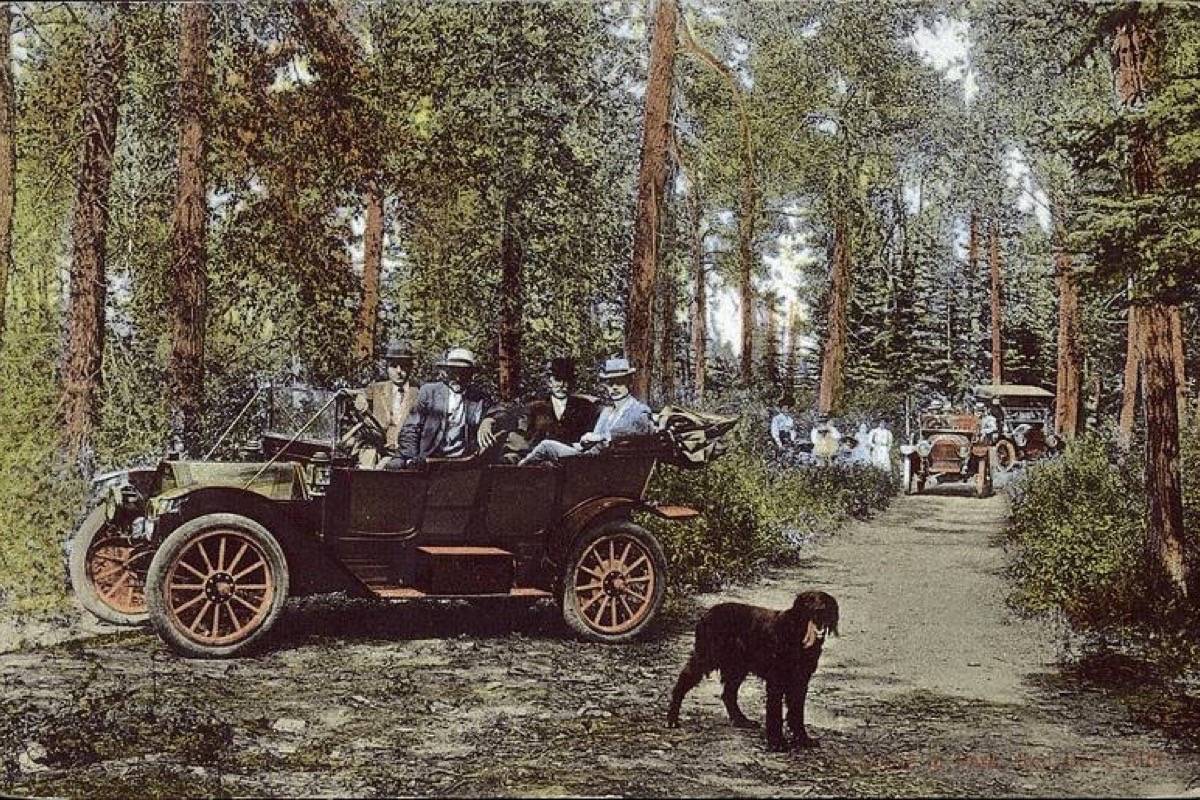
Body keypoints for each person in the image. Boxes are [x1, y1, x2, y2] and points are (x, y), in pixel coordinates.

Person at [518, 357, 653, 466]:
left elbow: (637, 433)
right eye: (610, 384)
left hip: (608, 465)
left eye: (619, 383)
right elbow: (593, 438)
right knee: (547, 446)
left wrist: (602, 437)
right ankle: (519, 470)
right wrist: (583, 442)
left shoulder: (639, 410)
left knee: (547, 447)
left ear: (629, 383)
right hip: (589, 457)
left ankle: (517, 473)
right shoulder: (607, 411)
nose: (614, 388)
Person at [391, 347, 501, 466]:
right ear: (446, 372)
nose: (458, 378)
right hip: (430, 461)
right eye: (453, 372)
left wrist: (488, 420)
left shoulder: (478, 397)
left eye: (463, 373)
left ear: (471, 375)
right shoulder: (429, 392)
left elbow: (504, 411)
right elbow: (411, 428)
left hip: (464, 463)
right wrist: (411, 458)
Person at [496, 358, 599, 464]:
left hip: (572, 463)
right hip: (540, 466)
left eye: (566, 380)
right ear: (549, 382)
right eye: (558, 380)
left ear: (572, 382)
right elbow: (520, 438)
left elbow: (592, 437)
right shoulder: (535, 408)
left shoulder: (584, 407)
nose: (562, 385)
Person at [350, 340, 419, 468]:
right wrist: (360, 397)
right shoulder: (376, 389)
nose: (399, 371)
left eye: (403, 366)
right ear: (387, 367)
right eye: (394, 366)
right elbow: (357, 394)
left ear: (410, 367)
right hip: (378, 449)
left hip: (404, 455)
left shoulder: (419, 394)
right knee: (366, 461)